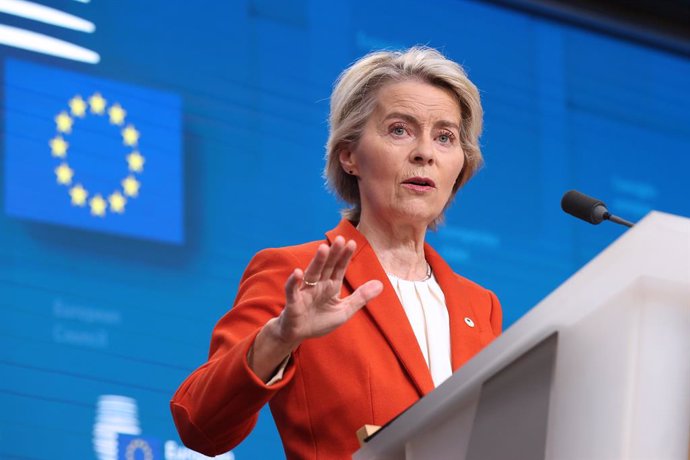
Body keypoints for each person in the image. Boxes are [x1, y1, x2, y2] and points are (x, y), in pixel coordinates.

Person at [170, 46, 502, 459]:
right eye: (399, 130)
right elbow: (199, 425)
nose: (424, 152)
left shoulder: (481, 307)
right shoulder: (295, 272)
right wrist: (280, 337)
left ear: (461, 166)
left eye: (445, 137)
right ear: (349, 156)